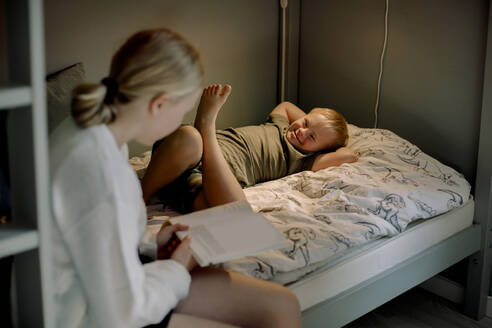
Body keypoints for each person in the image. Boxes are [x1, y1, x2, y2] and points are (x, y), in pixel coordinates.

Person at [50, 28, 301, 328]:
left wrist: (152, 248)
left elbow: (98, 244)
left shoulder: (92, 130)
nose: (180, 120)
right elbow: (121, 312)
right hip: (91, 312)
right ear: (159, 105)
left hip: (113, 285)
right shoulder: (102, 173)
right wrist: (177, 268)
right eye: (182, 109)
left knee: (283, 304)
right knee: (274, 312)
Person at [141, 87, 358, 213]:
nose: (302, 131)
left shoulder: (303, 161)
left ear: (318, 151)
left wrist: (328, 144)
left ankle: (206, 125)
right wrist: (315, 124)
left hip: (206, 180)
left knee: (235, 213)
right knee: (190, 137)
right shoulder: (279, 125)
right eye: (305, 122)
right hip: (184, 154)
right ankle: (141, 197)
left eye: (312, 137)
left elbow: (348, 155)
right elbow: (286, 105)